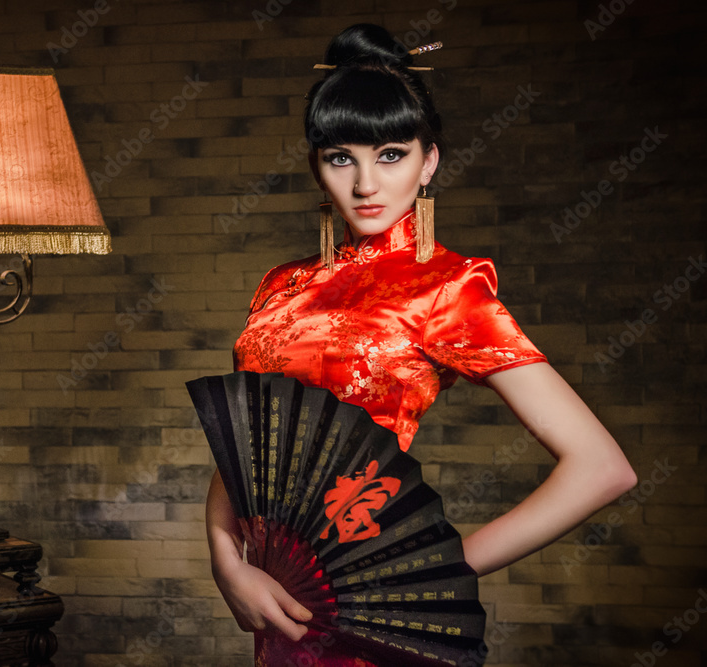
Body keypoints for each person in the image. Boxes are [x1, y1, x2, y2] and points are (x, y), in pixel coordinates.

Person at [204, 23, 638, 666]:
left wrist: (430, 571)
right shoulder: (280, 284)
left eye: (390, 155)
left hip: (365, 600)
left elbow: (602, 468)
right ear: (317, 166)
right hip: (274, 599)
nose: (365, 184)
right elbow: (248, 446)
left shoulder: (446, 288)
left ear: (428, 161)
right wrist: (225, 564)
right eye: (341, 157)